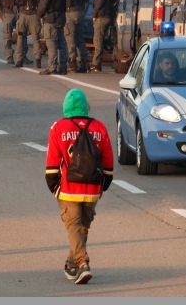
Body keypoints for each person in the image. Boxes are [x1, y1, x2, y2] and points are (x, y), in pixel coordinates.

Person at [44, 88, 114, 284]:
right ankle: (70, 264)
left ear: (66, 106)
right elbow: (108, 160)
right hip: (92, 189)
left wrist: (54, 186)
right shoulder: (99, 127)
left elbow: (52, 162)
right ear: (86, 106)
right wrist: (104, 184)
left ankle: (83, 264)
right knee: (81, 228)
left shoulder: (59, 127)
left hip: (69, 188)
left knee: (73, 227)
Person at [38, 0, 68, 76]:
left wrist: (40, 14)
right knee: (61, 42)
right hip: (61, 17)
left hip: (51, 18)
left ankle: (52, 66)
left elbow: (44, 3)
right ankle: (63, 66)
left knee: (51, 43)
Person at [15, 0, 43, 68]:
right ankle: (19, 60)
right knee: (20, 37)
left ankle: (38, 60)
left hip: (34, 13)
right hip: (23, 13)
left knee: (36, 37)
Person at [64, 0, 89, 73]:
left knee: (70, 38)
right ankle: (82, 61)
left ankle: (72, 62)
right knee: (80, 38)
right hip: (81, 12)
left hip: (70, 12)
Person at [89, 0, 114, 72]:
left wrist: (94, 14)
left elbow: (100, 3)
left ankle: (96, 64)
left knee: (98, 40)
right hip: (108, 16)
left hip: (102, 16)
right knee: (100, 39)